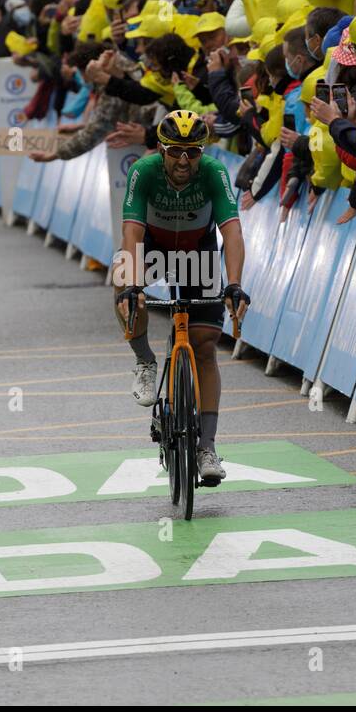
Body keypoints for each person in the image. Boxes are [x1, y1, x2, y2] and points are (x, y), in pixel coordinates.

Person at [114, 111, 249, 485]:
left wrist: (234, 283)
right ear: (162, 149)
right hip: (154, 247)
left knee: (204, 346)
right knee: (121, 280)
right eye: (175, 151)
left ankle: (206, 447)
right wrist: (133, 285)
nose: (184, 161)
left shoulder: (213, 172)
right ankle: (144, 360)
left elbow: (232, 233)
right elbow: (131, 233)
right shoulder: (144, 171)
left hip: (199, 252)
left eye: (193, 152)